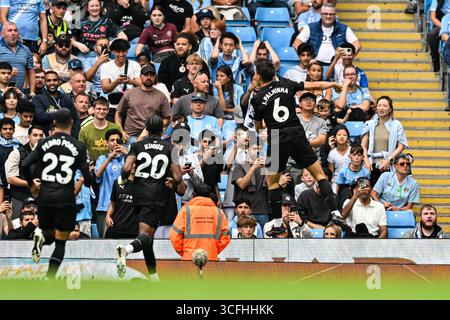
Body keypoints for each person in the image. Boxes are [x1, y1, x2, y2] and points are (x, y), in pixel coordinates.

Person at [251, 59, 349, 230]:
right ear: (274, 74)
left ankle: (277, 223)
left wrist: (266, 127)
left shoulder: (257, 98)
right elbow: (314, 84)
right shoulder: (286, 84)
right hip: (297, 133)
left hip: (276, 137)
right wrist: (333, 83)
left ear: (258, 76)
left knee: (272, 182)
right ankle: (336, 212)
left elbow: (258, 126)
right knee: (319, 175)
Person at [22, 108, 92, 279]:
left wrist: (32, 185)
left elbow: (24, 165)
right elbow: (88, 179)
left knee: (50, 235)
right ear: (72, 123)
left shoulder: (43, 143)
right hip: (65, 198)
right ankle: (50, 277)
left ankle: (41, 236)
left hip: (45, 197)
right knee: (60, 242)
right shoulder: (78, 146)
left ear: (54, 123)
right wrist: (85, 179)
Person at [115, 115, 182, 281]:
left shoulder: (137, 145)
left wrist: (124, 179)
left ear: (146, 129)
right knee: (145, 235)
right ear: (162, 130)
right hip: (157, 195)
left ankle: (153, 276)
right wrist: (172, 182)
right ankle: (126, 250)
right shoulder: (170, 148)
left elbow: (126, 168)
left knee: (147, 237)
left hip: (138, 195)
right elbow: (178, 177)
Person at [169, 182, 230, 260]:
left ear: (194, 194)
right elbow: (226, 237)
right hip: (211, 257)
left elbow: (174, 236)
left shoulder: (185, 210)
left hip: (189, 258)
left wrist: (184, 251)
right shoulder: (219, 213)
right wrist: (213, 250)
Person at [115, 64, 171, 143]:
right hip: (130, 136)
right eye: (146, 75)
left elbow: (167, 118)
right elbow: (118, 113)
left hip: (151, 137)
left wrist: (154, 127)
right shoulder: (129, 93)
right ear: (140, 77)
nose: (148, 77)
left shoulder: (161, 96)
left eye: (151, 75)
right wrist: (121, 131)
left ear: (155, 77)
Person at [293, 3, 361, 68]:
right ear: (321, 14)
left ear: (335, 15)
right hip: (315, 66)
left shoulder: (343, 28)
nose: (328, 16)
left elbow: (357, 45)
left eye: (331, 14)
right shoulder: (311, 27)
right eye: (325, 14)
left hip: (337, 65)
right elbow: (296, 44)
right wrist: (307, 59)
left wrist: (345, 59)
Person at [361, 96, 408, 186]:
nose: (381, 108)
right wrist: (366, 160)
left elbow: (401, 146)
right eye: (379, 105)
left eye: (385, 106)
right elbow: (363, 145)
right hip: (371, 164)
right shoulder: (369, 124)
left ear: (390, 109)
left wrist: (389, 160)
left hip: (389, 163)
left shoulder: (396, 125)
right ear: (376, 108)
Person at [5, 125, 45, 219]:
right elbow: (10, 178)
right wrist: (29, 183)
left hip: (42, 199)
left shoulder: (49, 154)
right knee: (18, 227)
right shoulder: (17, 153)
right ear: (28, 137)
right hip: (20, 197)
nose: (38, 138)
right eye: (35, 135)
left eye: (41, 135)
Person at [94, 128, 128, 237]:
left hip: (123, 206)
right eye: (112, 140)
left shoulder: (126, 159)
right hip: (104, 207)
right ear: (107, 143)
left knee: (124, 239)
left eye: (117, 140)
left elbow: (135, 170)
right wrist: (110, 158)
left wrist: (127, 153)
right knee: (104, 240)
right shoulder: (102, 159)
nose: (115, 143)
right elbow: (98, 175)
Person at [231, 140, 270, 227]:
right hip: (244, 212)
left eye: (260, 149)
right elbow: (242, 184)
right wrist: (254, 167)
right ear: (247, 150)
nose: (258, 151)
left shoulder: (265, 167)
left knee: (263, 239)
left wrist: (267, 169)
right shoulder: (239, 166)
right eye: (255, 148)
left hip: (262, 211)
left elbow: (269, 186)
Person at [100, 38, 142, 119]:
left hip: (132, 104)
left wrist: (131, 81)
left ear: (127, 51)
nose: (121, 54)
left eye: (123, 51)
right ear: (112, 52)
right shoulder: (106, 66)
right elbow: (105, 89)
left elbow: (141, 85)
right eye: (118, 52)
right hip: (114, 105)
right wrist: (116, 82)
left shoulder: (135, 65)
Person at [32, 70, 80, 137]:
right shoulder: (37, 99)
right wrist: (62, 114)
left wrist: (73, 137)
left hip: (65, 138)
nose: (52, 83)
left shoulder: (66, 98)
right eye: (49, 80)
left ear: (59, 82)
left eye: (55, 80)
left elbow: (76, 120)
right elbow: (41, 117)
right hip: (46, 139)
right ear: (45, 82)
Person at [78, 97, 122, 162]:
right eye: (98, 109)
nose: (101, 111)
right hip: (92, 167)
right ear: (93, 109)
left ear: (108, 110)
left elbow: (120, 149)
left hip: (113, 167)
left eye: (104, 109)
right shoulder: (84, 130)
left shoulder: (116, 128)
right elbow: (81, 153)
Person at [0, 22, 35, 94]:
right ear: (2, 34)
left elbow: (31, 73)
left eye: (15, 30)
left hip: (19, 94)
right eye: (9, 30)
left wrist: (32, 92)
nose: (13, 33)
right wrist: (9, 73)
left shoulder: (26, 49)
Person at [105, 168, 138, 239]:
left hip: (134, 231)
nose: (134, 165)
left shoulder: (142, 185)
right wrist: (108, 216)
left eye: (136, 163)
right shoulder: (117, 182)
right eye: (132, 163)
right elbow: (112, 204)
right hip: (115, 228)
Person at [327, 125, 351, 193]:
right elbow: (330, 171)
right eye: (339, 135)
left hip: (351, 180)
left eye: (344, 135)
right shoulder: (332, 153)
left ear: (348, 138)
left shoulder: (352, 151)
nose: (341, 137)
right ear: (334, 138)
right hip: (336, 181)